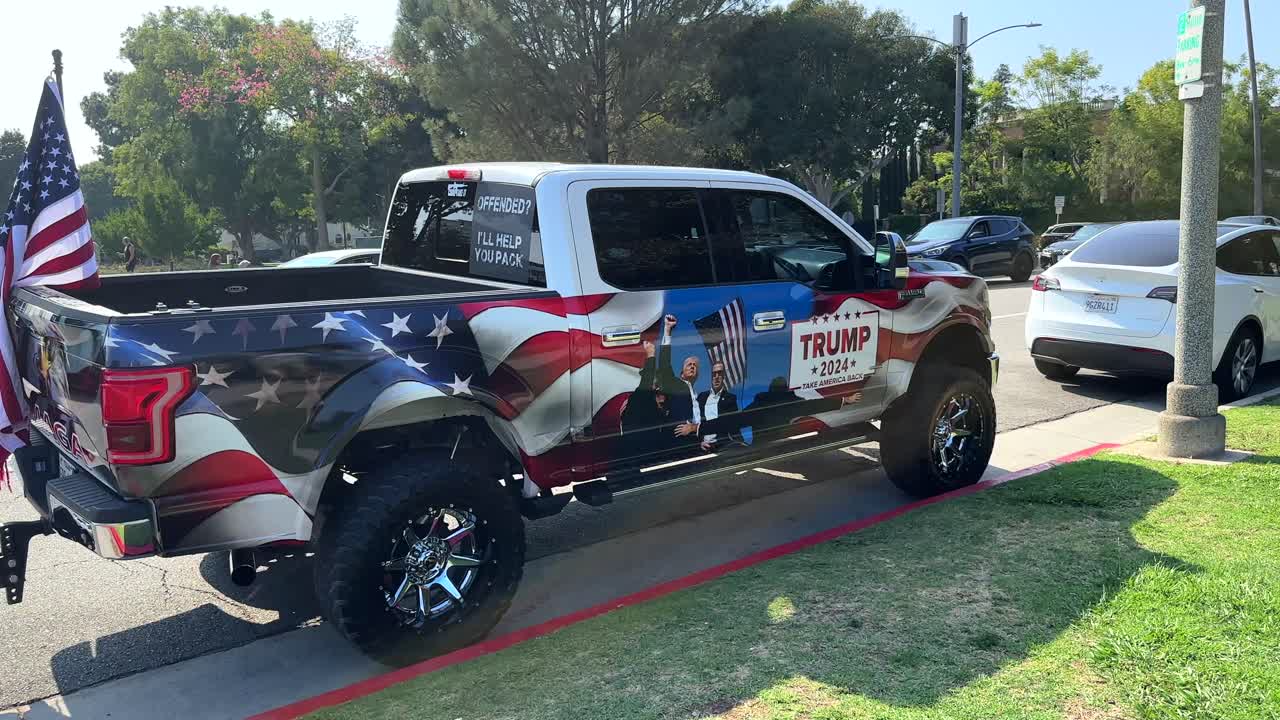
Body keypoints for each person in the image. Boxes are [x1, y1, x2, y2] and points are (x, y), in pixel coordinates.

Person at [683, 361, 739, 451]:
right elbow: (693, 419)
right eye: (714, 374)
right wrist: (699, 443)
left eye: (719, 373)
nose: (716, 377)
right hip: (703, 450)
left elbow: (726, 423)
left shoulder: (730, 399)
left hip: (724, 448)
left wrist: (697, 428)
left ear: (724, 376)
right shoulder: (702, 397)